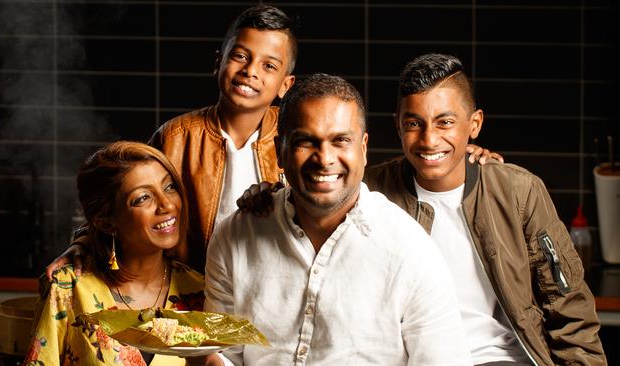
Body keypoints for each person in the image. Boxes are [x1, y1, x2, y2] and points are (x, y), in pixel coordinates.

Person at [201, 73, 471, 365]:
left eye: (340, 141)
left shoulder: (411, 251)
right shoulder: (235, 236)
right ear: (280, 150)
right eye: (306, 141)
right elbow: (224, 353)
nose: (324, 158)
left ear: (363, 148)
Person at [363, 54, 606, 365]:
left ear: (474, 124)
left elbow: (570, 306)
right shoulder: (369, 194)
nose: (429, 139)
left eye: (445, 122)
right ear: (397, 124)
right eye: (414, 123)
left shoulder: (518, 191)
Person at [46, 4, 297, 275]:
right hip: (190, 296)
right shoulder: (175, 137)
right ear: (218, 62)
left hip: (271, 296)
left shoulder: (295, 136)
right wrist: (84, 241)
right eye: (240, 56)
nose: (250, 71)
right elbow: (123, 202)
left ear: (286, 85)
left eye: (269, 65)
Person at [24, 142, 207, 366]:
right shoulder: (67, 288)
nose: (167, 204)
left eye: (169, 187)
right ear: (106, 222)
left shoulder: (199, 291)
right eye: (143, 198)